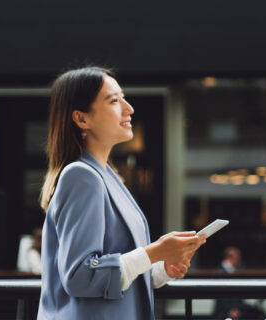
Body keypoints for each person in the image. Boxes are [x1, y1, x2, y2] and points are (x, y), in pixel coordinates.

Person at [36, 66, 206, 319]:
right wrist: (154, 252)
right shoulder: (82, 177)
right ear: (82, 119)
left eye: (123, 97)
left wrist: (160, 269)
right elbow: (79, 276)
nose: (129, 109)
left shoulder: (109, 176)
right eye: (114, 100)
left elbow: (114, 274)